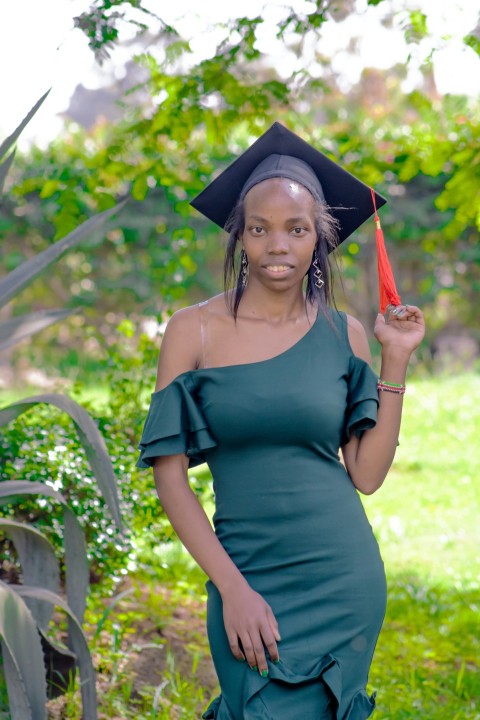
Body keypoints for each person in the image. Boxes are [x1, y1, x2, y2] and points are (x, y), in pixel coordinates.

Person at [136, 122, 425, 720]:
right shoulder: (194, 330)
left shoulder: (344, 335)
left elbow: (366, 475)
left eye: (296, 230)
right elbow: (171, 479)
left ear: (319, 239)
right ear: (239, 236)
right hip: (245, 571)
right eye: (260, 229)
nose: (277, 246)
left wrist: (394, 359)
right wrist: (233, 589)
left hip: (342, 577)